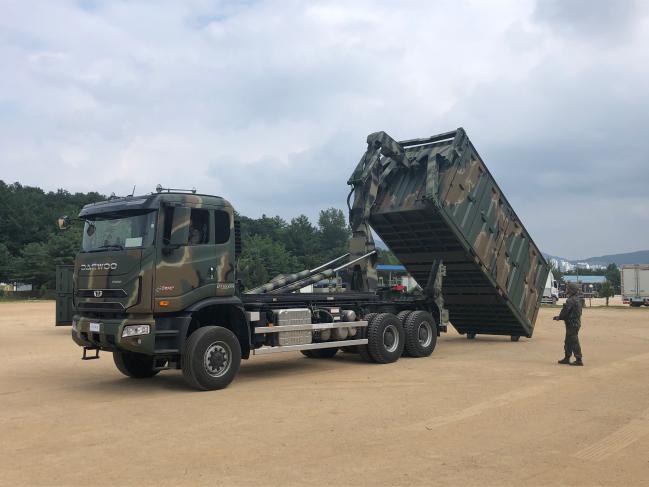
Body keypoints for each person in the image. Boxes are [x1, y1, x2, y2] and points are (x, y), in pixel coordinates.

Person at [553, 282, 584, 366]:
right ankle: (567, 357)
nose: (566, 290)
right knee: (568, 341)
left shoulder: (570, 300)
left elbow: (565, 311)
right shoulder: (578, 299)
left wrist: (559, 317)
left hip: (572, 323)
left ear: (571, 290)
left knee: (573, 341)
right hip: (575, 322)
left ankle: (578, 359)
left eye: (568, 288)